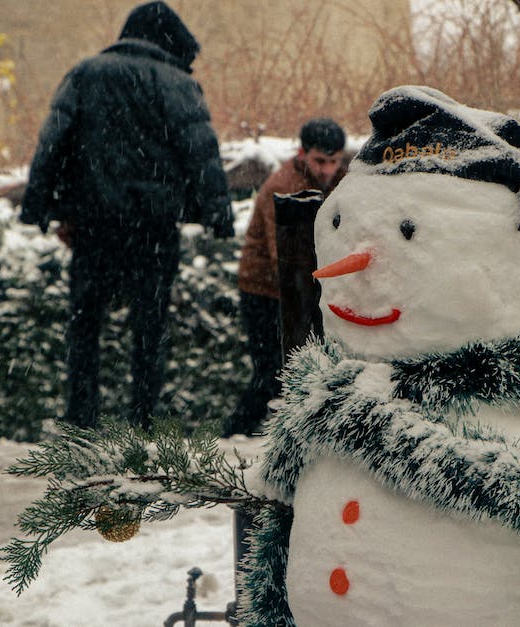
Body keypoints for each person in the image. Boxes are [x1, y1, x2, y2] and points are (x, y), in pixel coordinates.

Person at [20, 1, 233, 430]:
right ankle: (144, 421)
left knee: (85, 325)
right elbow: (200, 152)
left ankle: (81, 421)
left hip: (93, 224)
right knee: (149, 327)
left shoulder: (85, 74)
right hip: (153, 228)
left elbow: (52, 142)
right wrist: (217, 213)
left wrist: (39, 206)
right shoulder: (175, 82)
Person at [222, 118, 347, 437]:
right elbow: (287, 259)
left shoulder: (337, 180)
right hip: (264, 290)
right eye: (320, 161)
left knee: (301, 371)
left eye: (334, 161)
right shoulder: (284, 187)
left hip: (303, 286)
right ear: (302, 153)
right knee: (272, 374)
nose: (327, 169)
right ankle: (235, 436)